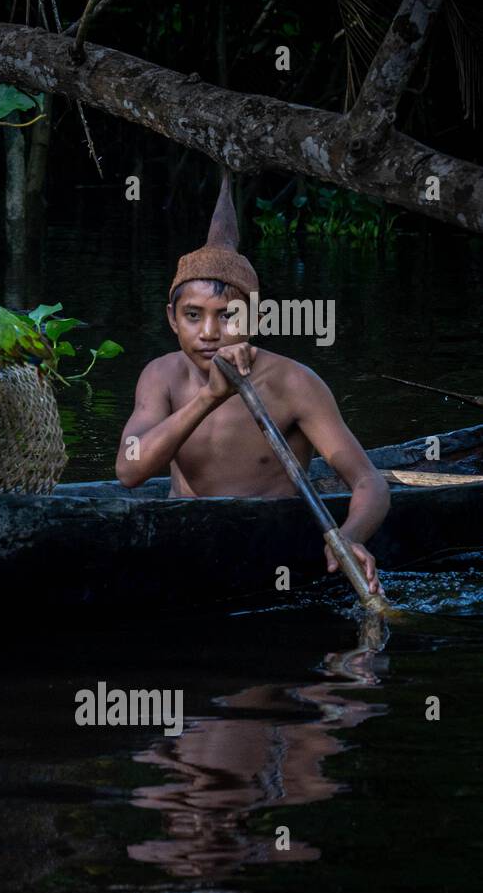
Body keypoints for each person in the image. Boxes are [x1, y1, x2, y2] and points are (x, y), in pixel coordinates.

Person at [114, 171, 389, 592]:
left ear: (256, 319)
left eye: (227, 316)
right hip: (182, 541)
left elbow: (370, 482)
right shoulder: (161, 375)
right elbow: (129, 472)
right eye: (193, 315)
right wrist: (210, 396)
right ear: (172, 319)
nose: (208, 333)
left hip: (265, 546)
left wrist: (348, 536)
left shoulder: (294, 383)